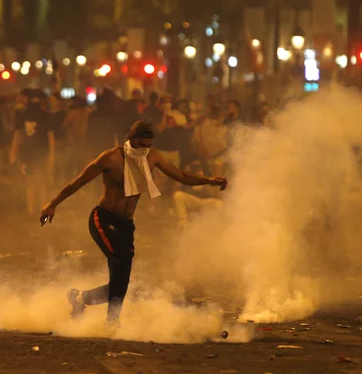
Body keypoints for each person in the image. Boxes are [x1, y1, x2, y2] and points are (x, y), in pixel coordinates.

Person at [39, 120, 227, 327]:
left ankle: (79, 298)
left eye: (148, 145)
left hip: (126, 224)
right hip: (103, 219)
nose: (144, 149)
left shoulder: (153, 157)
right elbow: (80, 180)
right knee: (120, 263)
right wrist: (53, 203)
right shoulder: (111, 158)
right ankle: (112, 322)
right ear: (131, 139)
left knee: (121, 281)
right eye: (140, 144)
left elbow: (182, 176)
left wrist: (209, 180)